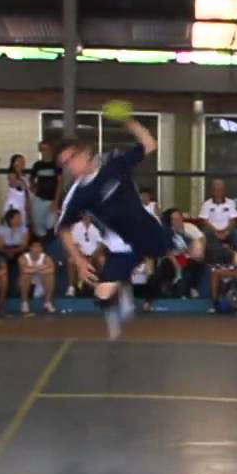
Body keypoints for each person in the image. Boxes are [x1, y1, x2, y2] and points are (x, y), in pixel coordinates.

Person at [57, 100, 172, 340]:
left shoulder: (114, 164)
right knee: (102, 294)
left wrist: (128, 120)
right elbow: (64, 229)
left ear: (87, 153)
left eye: (71, 159)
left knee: (188, 252)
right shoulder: (76, 194)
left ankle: (125, 285)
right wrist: (78, 260)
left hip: (146, 230)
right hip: (120, 245)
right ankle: (117, 302)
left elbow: (149, 144)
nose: (69, 166)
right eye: (64, 164)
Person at [29, 140, 62, 240]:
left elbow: (60, 183)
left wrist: (56, 201)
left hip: (51, 200)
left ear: (51, 150)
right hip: (39, 199)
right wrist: (33, 188)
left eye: (46, 149)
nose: (44, 151)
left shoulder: (56, 165)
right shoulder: (37, 165)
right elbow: (31, 180)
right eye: (42, 149)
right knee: (38, 227)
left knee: (50, 224)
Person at [18, 237, 57, 315]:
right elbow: (24, 270)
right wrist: (41, 267)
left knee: (50, 276)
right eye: (34, 246)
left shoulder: (46, 257)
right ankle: (24, 303)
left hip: (41, 286)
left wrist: (33, 269)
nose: (37, 249)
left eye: (39, 246)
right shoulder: (23, 258)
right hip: (29, 286)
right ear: (30, 248)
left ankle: (47, 303)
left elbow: (52, 269)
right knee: (25, 275)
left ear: (42, 248)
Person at [200, 179, 237, 245]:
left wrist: (226, 232)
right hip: (211, 231)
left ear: (224, 191)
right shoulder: (206, 204)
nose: (218, 192)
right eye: (216, 190)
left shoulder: (231, 203)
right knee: (203, 234)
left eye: (220, 190)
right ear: (212, 191)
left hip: (228, 231)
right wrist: (215, 232)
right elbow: (205, 222)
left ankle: (233, 253)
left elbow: (233, 220)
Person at [4, 154, 33, 228]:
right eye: (19, 161)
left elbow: (27, 192)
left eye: (23, 161)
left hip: (22, 206)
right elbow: (14, 183)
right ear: (13, 163)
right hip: (14, 206)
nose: (22, 163)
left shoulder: (24, 177)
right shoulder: (12, 175)